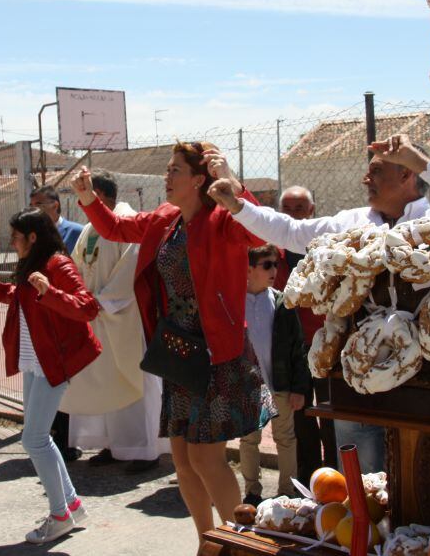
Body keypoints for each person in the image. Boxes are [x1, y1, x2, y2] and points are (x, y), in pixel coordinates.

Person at [208, 133, 430, 473]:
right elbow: (290, 231)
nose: (366, 179)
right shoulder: (352, 222)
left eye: (376, 171)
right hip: (356, 377)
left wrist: (422, 162)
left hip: (427, 381)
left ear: (406, 174)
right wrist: (238, 204)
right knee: (361, 480)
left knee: (420, 472)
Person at [71, 141, 276, 543]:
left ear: (199, 179)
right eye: (168, 169)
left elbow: (259, 231)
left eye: (175, 170)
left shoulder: (223, 220)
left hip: (217, 357)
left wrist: (233, 184)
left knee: (205, 458)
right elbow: (114, 227)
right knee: (183, 461)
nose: (166, 176)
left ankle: (239, 542)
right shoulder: (166, 218)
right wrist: (88, 199)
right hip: (179, 355)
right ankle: (207, 541)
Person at [0, 208, 101, 543]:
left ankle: (59, 516)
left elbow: (87, 307)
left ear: (32, 237)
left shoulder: (57, 264)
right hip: (35, 360)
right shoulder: (36, 266)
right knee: (41, 437)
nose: (11, 242)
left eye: (16, 236)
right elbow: (19, 296)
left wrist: (49, 292)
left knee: (34, 439)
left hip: (52, 362)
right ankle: (71, 505)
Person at [66, 171, 169, 474]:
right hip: (97, 317)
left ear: (102, 195)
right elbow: (76, 266)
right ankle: (114, 445)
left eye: (88, 194)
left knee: (136, 383)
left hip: (126, 317)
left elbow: (131, 270)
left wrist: (102, 301)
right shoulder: (88, 230)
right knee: (105, 382)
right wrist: (78, 298)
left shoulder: (129, 222)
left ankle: (146, 449)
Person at [272, 186, 337, 484]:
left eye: (299, 209)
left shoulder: (329, 248)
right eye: (287, 209)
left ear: (311, 211)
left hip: (326, 344)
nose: (294, 215)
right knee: (300, 417)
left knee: (330, 415)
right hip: (293, 351)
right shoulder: (274, 255)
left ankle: (336, 477)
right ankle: (308, 480)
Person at [240, 244, 309, 506]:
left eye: (275, 265)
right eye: (266, 265)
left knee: (286, 439)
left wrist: (299, 388)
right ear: (248, 270)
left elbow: (297, 348)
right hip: (249, 387)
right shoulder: (235, 302)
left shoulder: (282, 302)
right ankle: (252, 492)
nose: (273, 271)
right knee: (249, 440)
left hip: (280, 384)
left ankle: (287, 492)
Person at [29, 184, 84, 461]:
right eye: (32, 204)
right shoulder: (33, 236)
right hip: (42, 315)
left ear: (56, 205)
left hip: (67, 311)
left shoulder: (76, 232)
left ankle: (67, 441)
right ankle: (51, 435)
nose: (35, 209)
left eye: (39, 204)